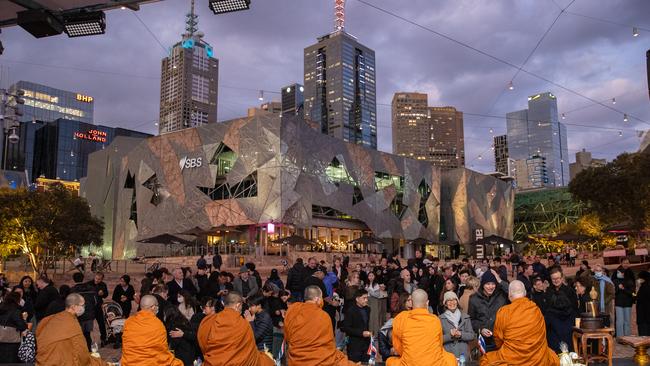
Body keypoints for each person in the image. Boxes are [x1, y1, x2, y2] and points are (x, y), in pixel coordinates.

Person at [480, 280, 559, 366]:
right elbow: (543, 335)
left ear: (509, 295)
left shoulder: (504, 312)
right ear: (525, 293)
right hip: (537, 357)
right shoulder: (535, 309)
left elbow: (498, 339)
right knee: (552, 356)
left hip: (512, 358)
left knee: (486, 360)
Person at [284, 285, 355, 365]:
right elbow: (329, 345)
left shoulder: (293, 311)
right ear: (317, 299)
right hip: (318, 359)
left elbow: (287, 336)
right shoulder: (323, 316)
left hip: (296, 358)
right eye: (321, 298)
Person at [198, 292, 274, 366]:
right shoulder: (242, 323)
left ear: (224, 304)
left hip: (214, 362)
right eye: (242, 306)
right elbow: (249, 350)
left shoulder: (210, 320)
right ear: (238, 305)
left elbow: (202, 341)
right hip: (237, 362)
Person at [386, 289, 456, 366]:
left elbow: (398, 347)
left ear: (411, 303)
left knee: (390, 361)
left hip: (410, 363)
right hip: (433, 363)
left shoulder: (400, 318)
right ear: (427, 303)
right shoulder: (435, 320)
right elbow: (439, 345)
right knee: (451, 359)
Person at [35, 293, 106, 366]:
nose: (84, 307)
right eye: (82, 305)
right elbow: (81, 353)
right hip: (59, 361)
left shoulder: (51, 318)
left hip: (43, 360)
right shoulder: (72, 322)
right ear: (73, 307)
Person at [121, 295, 183, 366]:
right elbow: (162, 351)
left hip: (130, 362)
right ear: (153, 307)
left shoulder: (129, 321)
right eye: (157, 306)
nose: (158, 308)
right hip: (150, 363)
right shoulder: (157, 324)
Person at [468, 270, 508, 352]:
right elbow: (471, 320)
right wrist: (481, 328)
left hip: (501, 341)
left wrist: (500, 281)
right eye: (488, 284)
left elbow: (512, 292)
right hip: (484, 343)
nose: (491, 287)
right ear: (483, 285)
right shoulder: (474, 299)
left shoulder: (502, 296)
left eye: (493, 284)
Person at [545, 267, 578, 352]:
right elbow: (546, 308)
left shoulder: (570, 291)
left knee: (568, 352)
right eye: (553, 279)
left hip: (567, 327)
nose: (556, 280)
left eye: (557, 278)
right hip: (553, 329)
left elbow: (574, 308)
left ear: (562, 277)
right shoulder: (548, 291)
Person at [439, 291, 474, 359]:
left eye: (454, 300)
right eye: (448, 300)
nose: (452, 302)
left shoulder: (465, 317)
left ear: (457, 302)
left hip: (463, 354)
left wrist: (461, 334)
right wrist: (450, 335)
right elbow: (439, 339)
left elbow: (472, 335)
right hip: (448, 354)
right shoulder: (440, 319)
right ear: (445, 304)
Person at [378, 293, 412, 361]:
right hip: (393, 359)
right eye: (408, 300)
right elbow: (383, 349)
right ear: (403, 302)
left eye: (412, 300)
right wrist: (390, 352)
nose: (411, 303)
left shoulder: (414, 317)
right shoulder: (395, 320)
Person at [341, 289, 371, 363]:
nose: (366, 300)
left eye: (367, 298)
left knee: (365, 363)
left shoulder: (368, 309)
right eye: (364, 298)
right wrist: (361, 333)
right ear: (357, 299)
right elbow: (346, 328)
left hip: (366, 343)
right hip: (354, 345)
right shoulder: (350, 311)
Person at [70, 272, 99, 350]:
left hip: (78, 316)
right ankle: (88, 350)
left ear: (73, 279)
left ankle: (80, 351)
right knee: (87, 334)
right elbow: (96, 302)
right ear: (83, 278)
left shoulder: (72, 290)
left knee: (78, 335)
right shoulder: (91, 288)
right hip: (89, 315)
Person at [0, 292, 28, 363]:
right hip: (11, 342)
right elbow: (22, 326)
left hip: (1, 339)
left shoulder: (2, 307)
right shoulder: (15, 310)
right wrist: (24, 319)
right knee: (10, 360)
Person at [613, 259, 635, 337]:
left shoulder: (630, 275)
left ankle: (627, 336)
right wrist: (618, 287)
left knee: (627, 321)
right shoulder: (616, 275)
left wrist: (633, 298)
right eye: (624, 263)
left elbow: (633, 289)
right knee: (620, 320)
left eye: (627, 263)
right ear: (621, 263)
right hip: (619, 301)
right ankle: (620, 337)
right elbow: (612, 286)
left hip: (628, 301)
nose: (626, 264)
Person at [86, 272, 109, 347]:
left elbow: (106, 295)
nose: (97, 280)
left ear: (102, 279)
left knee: (101, 323)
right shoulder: (88, 284)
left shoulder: (103, 285)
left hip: (98, 306)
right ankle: (88, 340)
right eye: (96, 278)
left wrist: (103, 294)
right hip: (90, 307)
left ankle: (103, 339)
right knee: (88, 324)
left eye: (99, 279)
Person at [637, 271, 650, 336]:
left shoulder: (644, 287)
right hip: (646, 313)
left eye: (640, 278)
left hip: (643, 313)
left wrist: (635, 296)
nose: (638, 279)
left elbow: (640, 298)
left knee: (644, 331)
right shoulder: (645, 285)